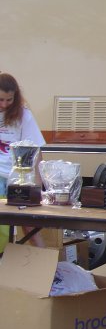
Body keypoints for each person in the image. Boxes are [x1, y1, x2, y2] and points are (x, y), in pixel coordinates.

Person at [0, 72, 46, 248]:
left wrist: (39, 186)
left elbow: (35, 151)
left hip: (16, 178)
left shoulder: (23, 115)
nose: (4, 105)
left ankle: (48, 270)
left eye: (9, 100)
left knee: (29, 226)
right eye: (1, 99)